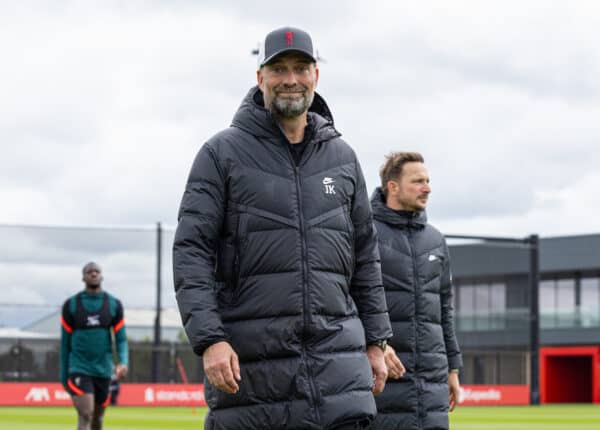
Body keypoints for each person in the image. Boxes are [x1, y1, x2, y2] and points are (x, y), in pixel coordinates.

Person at [173, 26, 393, 430]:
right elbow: (191, 252)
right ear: (260, 79)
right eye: (278, 70)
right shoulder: (221, 154)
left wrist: (376, 340)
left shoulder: (343, 158)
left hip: (338, 374)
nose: (290, 79)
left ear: (315, 76)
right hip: (254, 380)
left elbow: (366, 257)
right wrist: (210, 339)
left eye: (300, 68)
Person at [370, 152, 462, 430]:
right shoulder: (364, 233)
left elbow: (444, 308)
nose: (427, 188)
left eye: (428, 181)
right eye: (418, 181)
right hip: (382, 377)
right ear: (393, 187)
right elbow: (345, 299)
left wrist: (453, 368)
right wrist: (374, 343)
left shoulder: (436, 240)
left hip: (432, 383)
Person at [60, 262, 129, 430]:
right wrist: (64, 377)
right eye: (89, 271)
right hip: (79, 368)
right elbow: (64, 344)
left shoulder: (113, 304)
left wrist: (123, 362)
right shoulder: (71, 305)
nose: (93, 273)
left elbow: (121, 339)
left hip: (104, 371)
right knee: (86, 414)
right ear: (83, 277)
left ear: (101, 276)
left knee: (97, 420)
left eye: (97, 271)